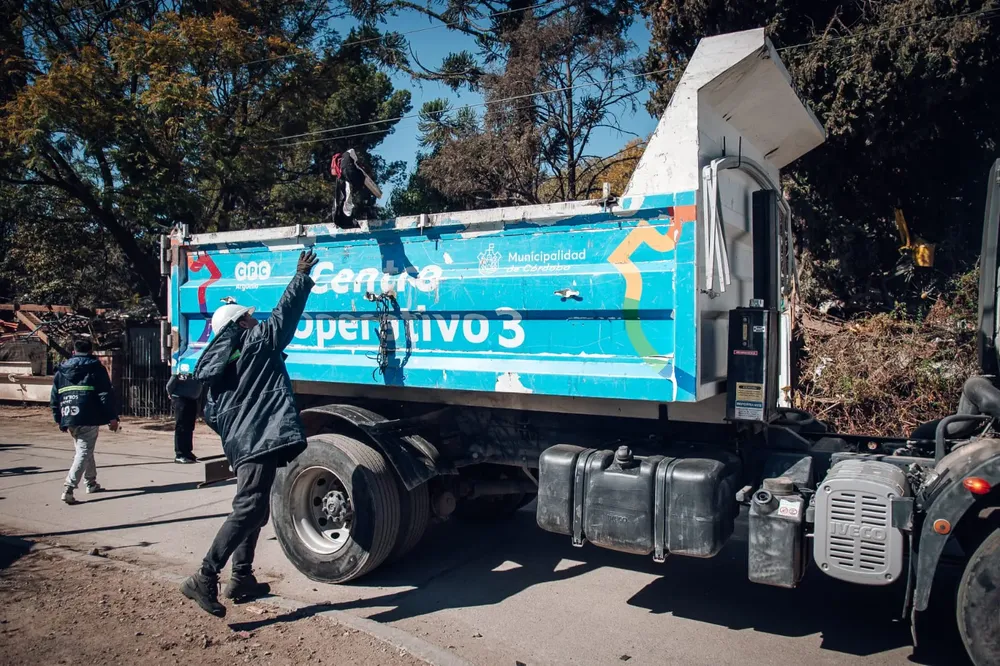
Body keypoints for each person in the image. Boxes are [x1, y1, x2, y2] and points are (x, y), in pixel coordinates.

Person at [180, 249, 318, 617]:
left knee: (254, 509)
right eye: (248, 318)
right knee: (250, 507)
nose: (254, 320)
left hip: (246, 442)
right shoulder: (254, 346)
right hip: (258, 439)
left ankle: (241, 575)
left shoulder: (214, 373)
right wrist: (300, 276)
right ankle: (205, 576)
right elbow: (282, 319)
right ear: (238, 325)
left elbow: (213, 417)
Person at [50, 338, 120, 505]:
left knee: (85, 449)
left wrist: (58, 418)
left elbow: (54, 397)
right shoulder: (96, 368)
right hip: (88, 415)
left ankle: (91, 483)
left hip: (69, 414)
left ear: (73, 351)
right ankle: (69, 487)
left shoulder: (61, 370)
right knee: (83, 452)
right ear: (90, 351)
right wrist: (112, 417)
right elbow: (105, 394)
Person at [166, 373, 202, 464]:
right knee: (181, 426)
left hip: (192, 399)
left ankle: (187, 452)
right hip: (181, 398)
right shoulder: (182, 369)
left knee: (189, 427)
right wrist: (171, 394)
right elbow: (170, 384)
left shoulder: (198, 369)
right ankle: (180, 454)